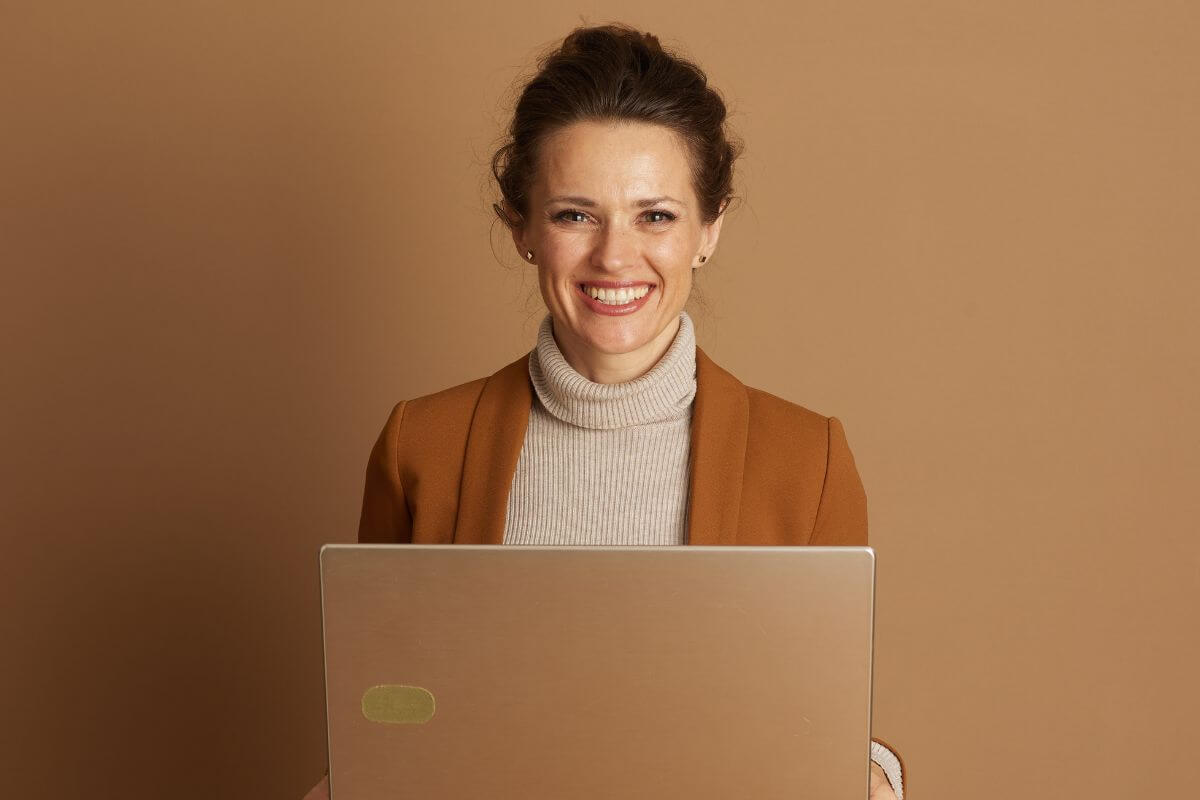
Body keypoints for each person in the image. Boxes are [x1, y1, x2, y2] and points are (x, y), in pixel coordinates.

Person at [303, 23, 905, 800]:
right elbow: (387, 712)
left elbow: (819, 726)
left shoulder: (808, 460)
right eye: (574, 215)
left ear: (708, 228)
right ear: (521, 228)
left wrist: (877, 779)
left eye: (655, 215)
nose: (615, 257)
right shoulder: (422, 445)